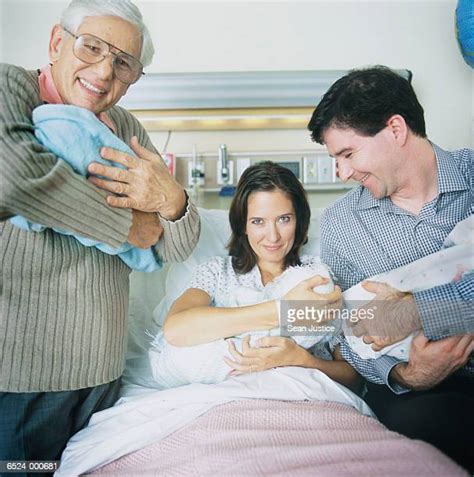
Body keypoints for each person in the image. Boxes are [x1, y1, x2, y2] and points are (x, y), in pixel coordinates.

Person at [0, 0, 200, 467]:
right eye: (92, 47)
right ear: (56, 43)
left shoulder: (126, 128)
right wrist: (130, 225)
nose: (105, 70)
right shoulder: (11, 87)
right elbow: (14, 180)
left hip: (102, 375)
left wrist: (172, 200)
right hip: (22, 378)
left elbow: (178, 242)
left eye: (123, 62)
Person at [307, 65, 473, 470]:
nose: (343, 173)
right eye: (336, 160)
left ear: (396, 129)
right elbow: (345, 331)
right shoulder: (342, 225)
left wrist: (419, 309)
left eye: (348, 154)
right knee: (422, 427)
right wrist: (404, 374)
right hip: (424, 394)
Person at [162, 161, 362, 393]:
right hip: (228, 400)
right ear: (243, 225)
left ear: (299, 221)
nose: (273, 236)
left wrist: (301, 359)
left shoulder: (318, 279)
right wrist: (283, 311)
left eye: (284, 219)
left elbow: (353, 379)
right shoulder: (217, 273)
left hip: (305, 399)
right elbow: (175, 330)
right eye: (258, 222)